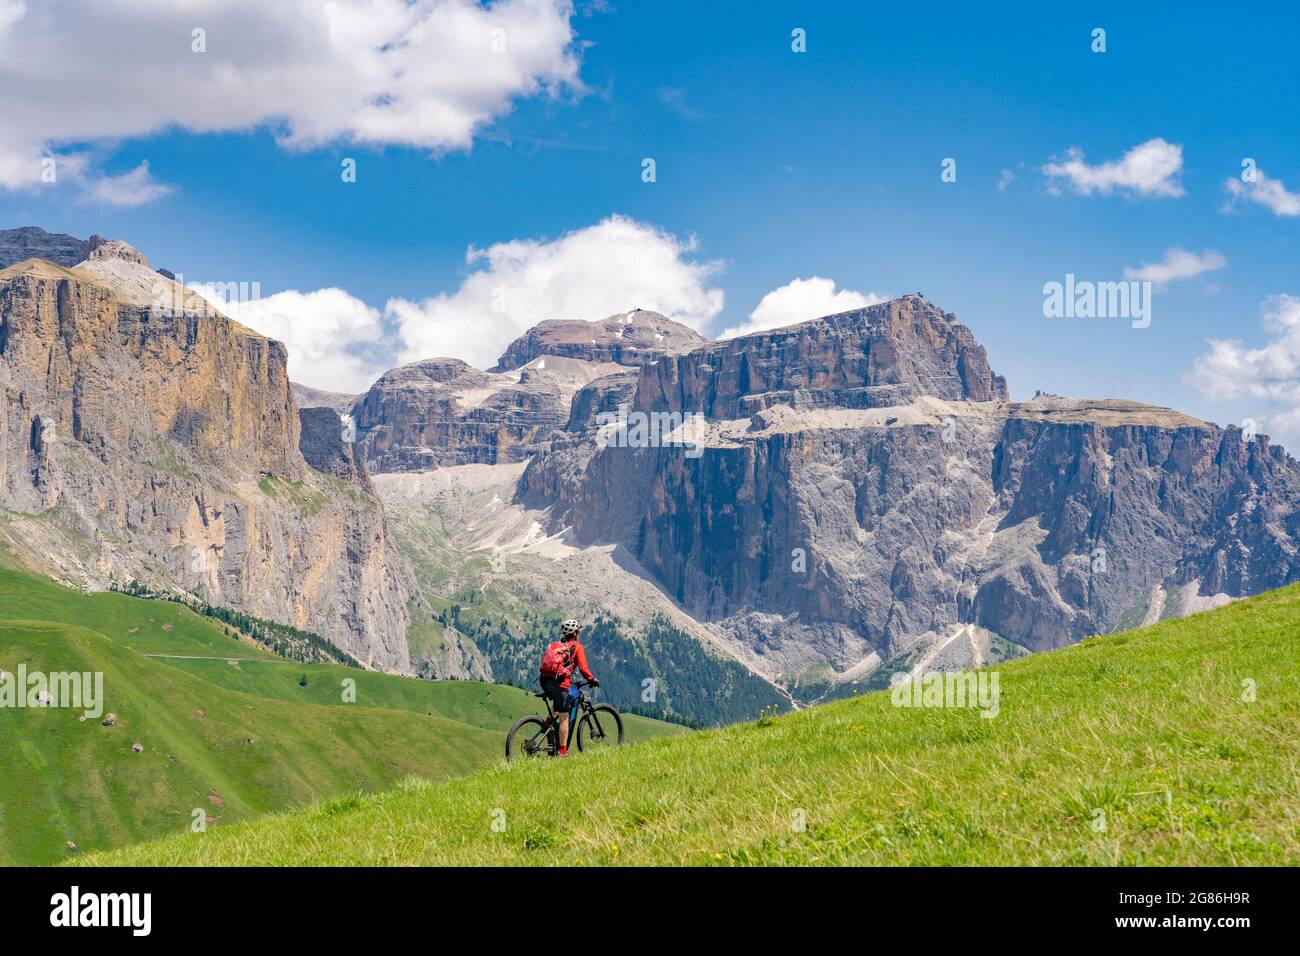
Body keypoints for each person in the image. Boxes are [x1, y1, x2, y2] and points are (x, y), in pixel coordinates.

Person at [538, 619, 599, 756]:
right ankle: (563, 751)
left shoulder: (557, 645)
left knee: (561, 699)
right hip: (559, 683)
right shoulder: (577, 647)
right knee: (564, 717)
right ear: (575, 633)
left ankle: (548, 722)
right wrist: (592, 679)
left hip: (545, 681)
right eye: (578, 632)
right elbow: (583, 668)